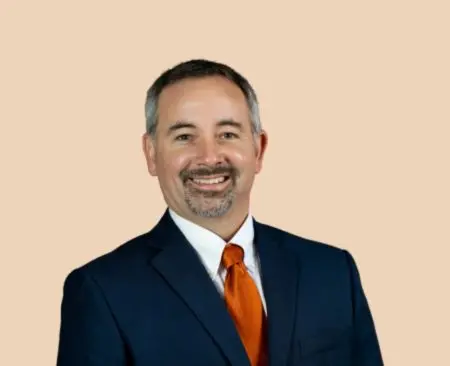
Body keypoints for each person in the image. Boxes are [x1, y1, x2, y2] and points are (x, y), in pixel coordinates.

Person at [56, 59, 384, 366]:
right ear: (151, 154)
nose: (209, 157)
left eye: (227, 134)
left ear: (258, 149)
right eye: (184, 136)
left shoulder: (333, 272)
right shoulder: (100, 291)